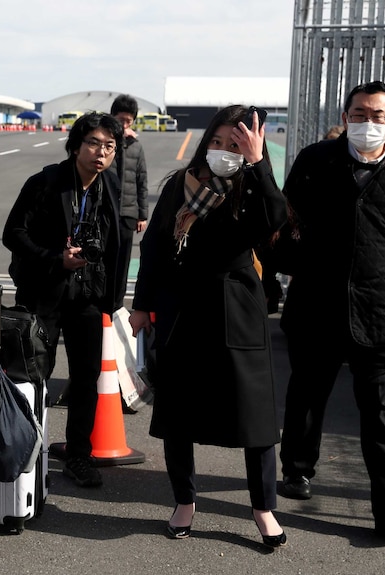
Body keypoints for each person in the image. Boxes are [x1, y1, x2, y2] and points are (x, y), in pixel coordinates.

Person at [278, 81, 385, 538]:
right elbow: (286, 223)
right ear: (345, 116)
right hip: (317, 305)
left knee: (383, 412)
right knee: (308, 392)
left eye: (376, 115)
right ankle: (296, 468)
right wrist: (285, 270)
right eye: (358, 114)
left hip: (382, 309)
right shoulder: (314, 161)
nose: (366, 123)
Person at [128, 105, 288, 547]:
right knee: (179, 412)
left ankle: (263, 508)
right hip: (183, 307)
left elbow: (275, 220)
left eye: (233, 144)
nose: (222, 151)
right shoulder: (183, 184)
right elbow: (157, 245)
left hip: (238, 305)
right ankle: (184, 501)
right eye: (216, 142)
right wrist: (142, 305)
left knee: (254, 416)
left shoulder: (253, 185)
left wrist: (256, 164)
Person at [3, 112, 127, 488]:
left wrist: (113, 297)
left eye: (109, 146)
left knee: (87, 377)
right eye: (93, 143)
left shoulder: (110, 186)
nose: (100, 153)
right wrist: (54, 257)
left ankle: (79, 455)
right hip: (45, 290)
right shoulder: (46, 182)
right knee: (34, 375)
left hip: (87, 294)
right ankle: (26, 449)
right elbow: (13, 234)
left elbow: (116, 244)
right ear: (75, 146)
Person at [108, 94, 148, 299]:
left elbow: (142, 180)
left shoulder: (136, 146)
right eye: (119, 120)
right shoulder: (105, 143)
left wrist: (142, 214)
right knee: (104, 260)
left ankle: (117, 303)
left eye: (128, 121)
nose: (123, 124)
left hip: (128, 213)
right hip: (105, 211)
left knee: (123, 263)